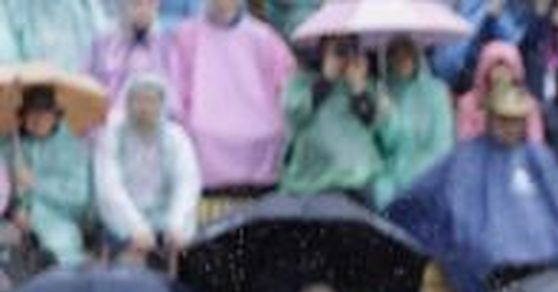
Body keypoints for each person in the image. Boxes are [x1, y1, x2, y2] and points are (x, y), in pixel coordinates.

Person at [385, 84, 558, 292]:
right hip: (487, 267)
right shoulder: (464, 160)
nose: (510, 127)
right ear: (490, 118)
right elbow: (417, 201)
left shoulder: (539, 158)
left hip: (544, 260)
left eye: (516, 120)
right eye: (504, 119)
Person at [167, 0, 296, 191]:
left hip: (259, 120)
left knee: (273, 133)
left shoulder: (263, 37)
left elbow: (286, 82)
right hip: (203, 122)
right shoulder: (186, 35)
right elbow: (175, 85)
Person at [94, 74, 202, 265]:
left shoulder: (176, 137)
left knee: (184, 258)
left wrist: (176, 224)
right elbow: (109, 188)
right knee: (131, 263)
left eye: (151, 100)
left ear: (162, 104)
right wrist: (135, 227)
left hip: (166, 220)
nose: (144, 107)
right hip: (123, 223)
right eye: (138, 100)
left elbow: (187, 184)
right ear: (128, 103)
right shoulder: (113, 135)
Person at [279, 36, 390, 201]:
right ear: (322, 52)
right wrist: (326, 80)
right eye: (338, 50)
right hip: (313, 182)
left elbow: (375, 124)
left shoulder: (365, 84)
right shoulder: (301, 82)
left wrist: (358, 89)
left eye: (349, 49)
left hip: (357, 178)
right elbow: (295, 114)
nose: (344, 56)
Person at [3, 87, 93, 269]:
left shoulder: (73, 148)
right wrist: (12, 210)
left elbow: (79, 198)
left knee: (59, 255)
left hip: (57, 224)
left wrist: (36, 184)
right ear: (22, 116)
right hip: (10, 222)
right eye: (32, 113)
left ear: (56, 117)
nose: (38, 120)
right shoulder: (8, 145)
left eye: (45, 114)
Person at [374, 37, 454, 208]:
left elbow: (442, 148)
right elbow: (384, 148)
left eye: (407, 53)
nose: (401, 60)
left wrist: (412, 179)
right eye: (394, 54)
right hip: (389, 189)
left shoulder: (436, 92)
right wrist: (386, 117)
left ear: (417, 56)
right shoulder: (382, 92)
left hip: (428, 183)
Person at [87, 0, 175, 114]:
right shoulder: (103, 44)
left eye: (151, 5)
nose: (144, 11)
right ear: (124, 5)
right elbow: (87, 90)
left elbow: (172, 104)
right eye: (138, 4)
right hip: (106, 124)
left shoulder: (165, 47)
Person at [455, 40, 545, 145]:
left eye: (507, 68)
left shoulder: (528, 104)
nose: (501, 73)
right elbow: (463, 141)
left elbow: (535, 142)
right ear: (485, 70)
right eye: (496, 67)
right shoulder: (468, 103)